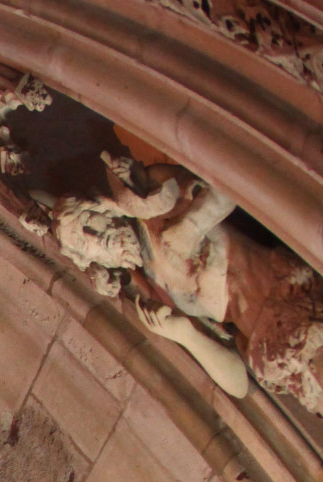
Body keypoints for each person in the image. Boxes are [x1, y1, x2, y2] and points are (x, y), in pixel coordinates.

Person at [52, 152, 323, 415]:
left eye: (87, 222)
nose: (96, 236)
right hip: (281, 363)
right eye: (84, 243)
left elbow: (235, 180)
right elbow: (239, 384)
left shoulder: (154, 196)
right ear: (98, 260)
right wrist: (187, 336)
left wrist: (191, 226)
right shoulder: (157, 289)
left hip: (297, 305)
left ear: (99, 206)